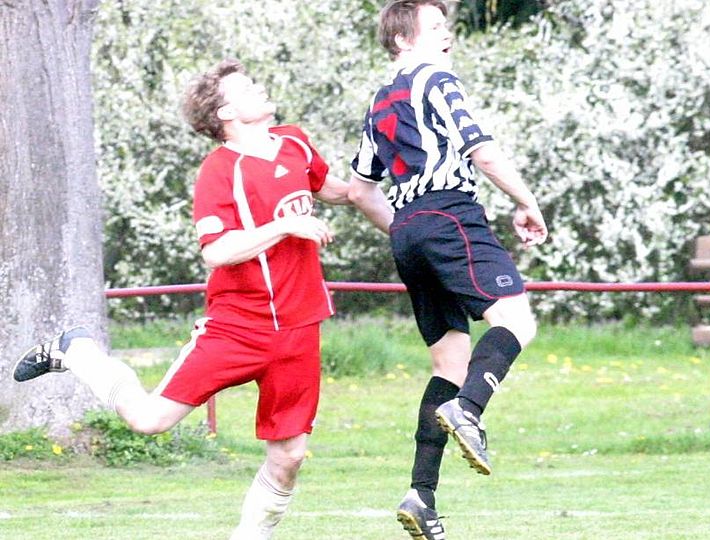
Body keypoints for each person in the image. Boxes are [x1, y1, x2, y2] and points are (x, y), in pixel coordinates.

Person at [12, 58, 368, 539]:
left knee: (289, 456)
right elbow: (216, 252)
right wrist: (284, 225)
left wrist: (389, 174)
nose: (260, 88)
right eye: (246, 87)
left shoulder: (295, 142)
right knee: (149, 420)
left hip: (299, 328)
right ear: (225, 113)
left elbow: (339, 191)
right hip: (237, 328)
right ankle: (79, 351)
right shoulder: (218, 171)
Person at [346, 1, 548, 537]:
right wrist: (527, 202)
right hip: (449, 213)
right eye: (434, 26)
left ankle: (421, 495)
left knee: (449, 363)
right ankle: (470, 410)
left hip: (408, 230)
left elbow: (361, 190)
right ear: (402, 40)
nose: (446, 33)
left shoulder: (379, 102)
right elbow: (482, 151)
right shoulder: (435, 78)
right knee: (516, 321)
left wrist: (407, 230)